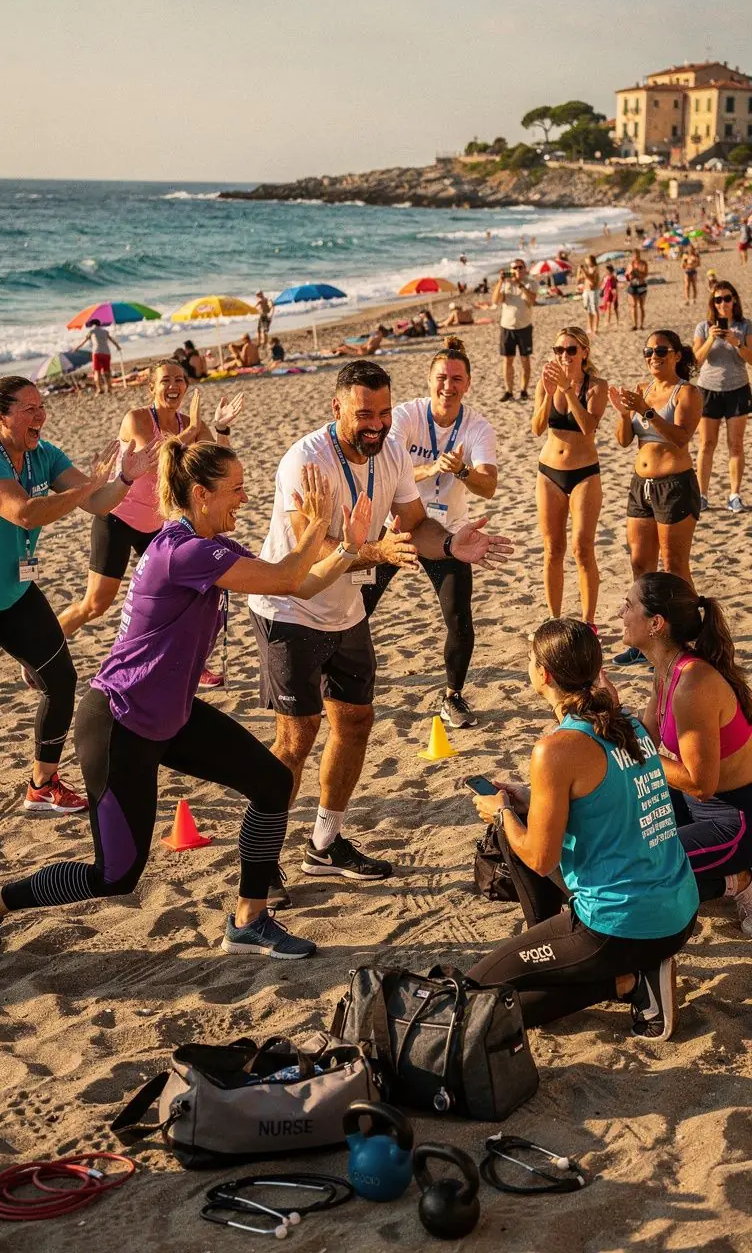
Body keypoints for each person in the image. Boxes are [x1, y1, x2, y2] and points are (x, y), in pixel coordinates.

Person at [0, 449, 375, 969]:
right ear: (201, 494)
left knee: (270, 782)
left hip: (172, 714)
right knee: (116, 876)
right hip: (119, 722)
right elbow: (288, 576)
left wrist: (348, 547)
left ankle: (248, 919)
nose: (244, 497)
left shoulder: (210, 546)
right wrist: (316, 526)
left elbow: (302, 582)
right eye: (235, 488)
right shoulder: (183, 552)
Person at [248, 360, 512, 902]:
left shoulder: (389, 451)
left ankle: (324, 845)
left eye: (385, 413)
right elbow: (310, 553)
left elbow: (416, 526)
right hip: (290, 608)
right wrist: (373, 551)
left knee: (357, 721)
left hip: (345, 610)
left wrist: (452, 543)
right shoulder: (306, 460)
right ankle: (263, 859)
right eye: (364, 414)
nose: (377, 425)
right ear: (336, 409)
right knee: (295, 739)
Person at [469, 619, 698, 1041]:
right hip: (677, 906)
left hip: (623, 927)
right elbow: (609, 794)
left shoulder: (556, 748)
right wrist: (524, 795)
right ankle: (561, 946)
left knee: (478, 996)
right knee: (516, 822)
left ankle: (625, 982)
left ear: (545, 675)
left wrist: (501, 810)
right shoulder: (621, 717)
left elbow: (540, 859)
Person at [0, 376, 157, 813]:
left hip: (14, 591)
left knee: (60, 679)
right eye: (29, 408)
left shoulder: (43, 454)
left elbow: (98, 502)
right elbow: (24, 513)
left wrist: (124, 479)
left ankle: (42, 784)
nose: (40, 415)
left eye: (42, 406)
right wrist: (87, 487)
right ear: (0, 416)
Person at [362, 338, 497, 728]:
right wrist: (433, 467)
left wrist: (462, 471)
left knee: (459, 618)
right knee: (359, 608)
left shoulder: (477, 427)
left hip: (447, 534)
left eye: (457, 379)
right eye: (441, 377)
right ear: (429, 379)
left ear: (467, 384)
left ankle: (453, 696)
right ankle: (332, 682)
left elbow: (488, 485)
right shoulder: (404, 417)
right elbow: (389, 470)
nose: (448, 386)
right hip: (399, 526)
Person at [58, 361, 242, 635]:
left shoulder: (192, 425)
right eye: (166, 380)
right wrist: (191, 433)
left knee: (183, 594)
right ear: (151, 387)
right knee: (96, 604)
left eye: (179, 380)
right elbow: (156, 461)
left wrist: (221, 429)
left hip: (160, 524)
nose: (173, 386)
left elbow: (216, 466)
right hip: (118, 518)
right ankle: (47, 646)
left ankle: (186, 656)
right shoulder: (138, 419)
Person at [619, 573, 752, 936]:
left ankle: (738, 880)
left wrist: (639, 755)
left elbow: (699, 782)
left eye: (629, 606)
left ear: (656, 623)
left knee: (642, 870)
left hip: (733, 819)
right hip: (693, 804)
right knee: (619, 834)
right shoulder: (665, 669)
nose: (621, 613)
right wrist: (604, 713)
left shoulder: (693, 683)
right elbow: (643, 736)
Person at [609, 331, 702, 666]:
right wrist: (623, 414)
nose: (653, 356)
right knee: (639, 565)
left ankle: (688, 637)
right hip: (641, 485)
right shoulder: (642, 390)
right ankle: (644, 639)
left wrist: (647, 412)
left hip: (674, 484)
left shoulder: (686, 392)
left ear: (676, 355)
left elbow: (680, 437)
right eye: (648, 351)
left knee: (675, 566)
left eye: (661, 351)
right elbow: (623, 441)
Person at [532, 328, 608, 628]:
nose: (564, 355)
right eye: (558, 350)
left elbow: (589, 427)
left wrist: (566, 390)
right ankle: (554, 619)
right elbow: (537, 428)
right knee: (552, 549)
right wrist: (550, 394)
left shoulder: (596, 387)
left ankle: (589, 621)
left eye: (571, 350)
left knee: (582, 547)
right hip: (549, 472)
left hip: (584, 472)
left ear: (584, 352)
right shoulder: (546, 383)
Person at [693, 280, 752, 513]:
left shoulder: (745, 325)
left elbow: (751, 359)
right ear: (713, 303)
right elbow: (695, 362)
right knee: (706, 444)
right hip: (708, 390)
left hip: (737, 390)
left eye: (727, 298)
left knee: (735, 445)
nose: (723, 303)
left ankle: (734, 495)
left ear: (734, 299)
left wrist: (735, 341)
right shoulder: (703, 327)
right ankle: (702, 495)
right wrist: (710, 338)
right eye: (718, 299)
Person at [492, 259, 538, 402]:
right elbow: (495, 300)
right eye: (514, 268)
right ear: (511, 270)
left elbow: (532, 300)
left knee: (525, 360)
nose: (518, 270)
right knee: (507, 361)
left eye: (520, 267)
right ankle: (509, 391)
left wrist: (519, 285)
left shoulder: (531, 282)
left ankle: (524, 390)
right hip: (507, 327)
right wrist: (500, 282)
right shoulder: (505, 284)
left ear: (525, 269)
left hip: (524, 327)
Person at [75, 318, 121, 395]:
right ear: (99, 324)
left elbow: (83, 342)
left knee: (97, 372)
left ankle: (99, 389)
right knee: (107, 371)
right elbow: (112, 340)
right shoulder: (105, 331)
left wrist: (76, 348)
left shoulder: (91, 331)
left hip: (97, 353)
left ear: (93, 325)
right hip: (106, 353)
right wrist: (118, 347)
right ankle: (109, 388)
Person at [325, 326, 390, 358]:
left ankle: (327, 352)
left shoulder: (373, 338)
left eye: (377, 330)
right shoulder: (379, 339)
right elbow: (371, 348)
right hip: (363, 351)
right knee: (344, 347)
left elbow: (364, 347)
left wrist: (351, 346)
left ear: (381, 332)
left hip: (362, 353)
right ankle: (334, 352)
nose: (375, 331)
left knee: (343, 347)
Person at [576, 255, 600, 339]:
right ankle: (590, 328)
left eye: (587, 260)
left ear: (591, 261)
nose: (586, 262)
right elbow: (578, 279)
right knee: (588, 310)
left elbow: (591, 278)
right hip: (586, 290)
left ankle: (595, 328)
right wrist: (579, 271)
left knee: (594, 309)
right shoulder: (587, 269)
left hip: (593, 291)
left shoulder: (595, 268)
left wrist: (584, 271)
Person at [625, 251, 649, 332]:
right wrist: (629, 273)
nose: (636, 258)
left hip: (641, 285)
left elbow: (645, 274)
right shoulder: (630, 264)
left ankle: (641, 325)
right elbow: (627, 277)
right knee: (633, 306)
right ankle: (634, 325)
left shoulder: (643, 263)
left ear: (639, 255)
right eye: (634, 256)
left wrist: (637, 272)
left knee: (641, 306)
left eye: (637, 256)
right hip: (632, 286)